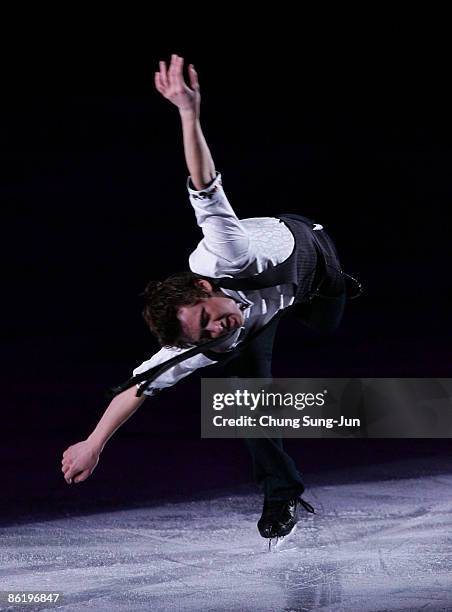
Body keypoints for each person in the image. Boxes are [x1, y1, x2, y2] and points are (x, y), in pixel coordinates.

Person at [62, 54, 356, 542]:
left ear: (205, 286)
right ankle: (282, 496)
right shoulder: (204, 339)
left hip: (315, 263)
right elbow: (139, 387)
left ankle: (330, 292)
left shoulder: (227, 254)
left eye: (208, 318)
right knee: (245, 399)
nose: (216, 329)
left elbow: (205, 188)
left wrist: (187, 113)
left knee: (325, 325)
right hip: (263, 317)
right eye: (203, 334)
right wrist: (93, 444)